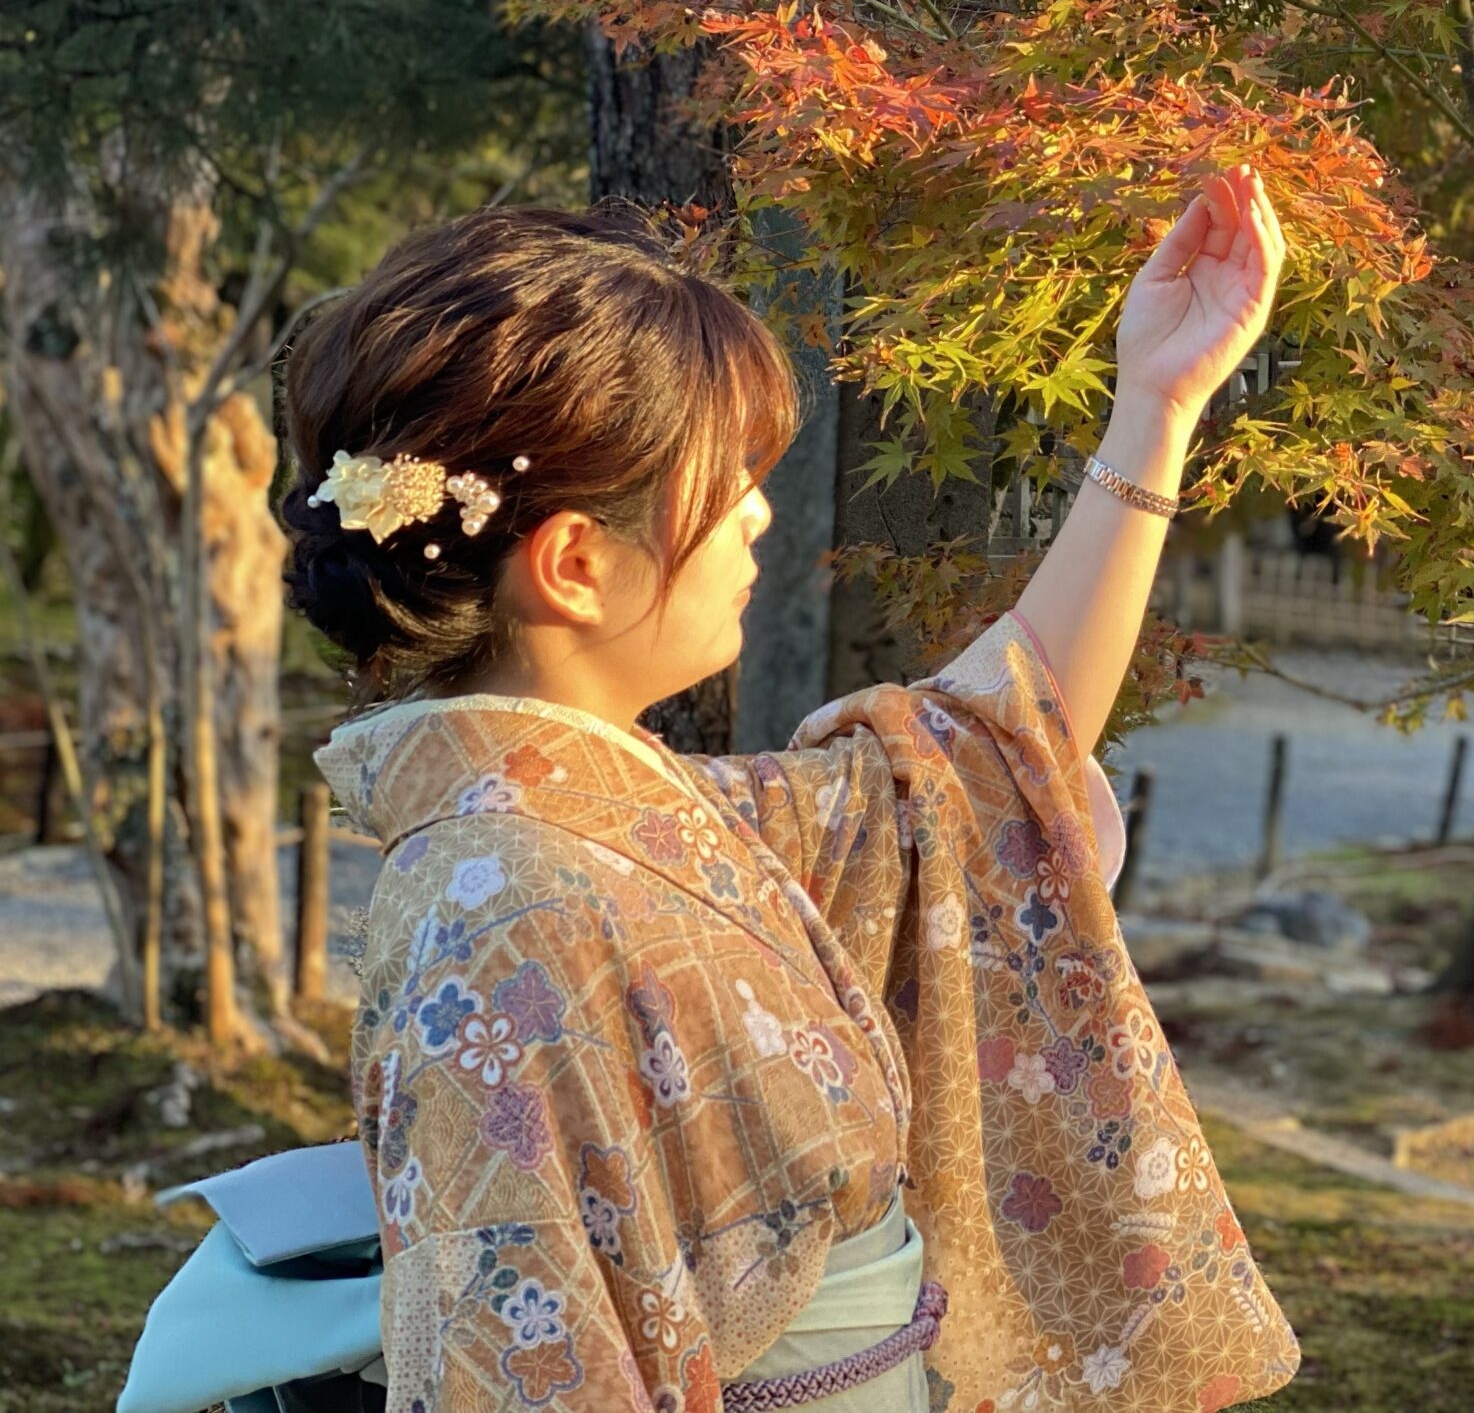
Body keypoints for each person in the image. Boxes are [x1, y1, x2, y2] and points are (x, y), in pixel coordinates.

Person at [229, 173, 1290, 1412]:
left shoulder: (621, 827)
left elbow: (977, 766)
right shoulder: (512, 907)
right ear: (574, 563)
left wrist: (1155, 407)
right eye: (721, 478)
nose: (758, 512)